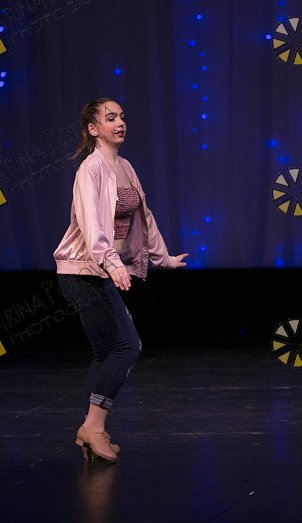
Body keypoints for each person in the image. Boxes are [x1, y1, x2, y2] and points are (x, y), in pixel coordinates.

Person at [53, 98, 188, 463]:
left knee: (106, 352)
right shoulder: (91, 169)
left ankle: (90, 429)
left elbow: (144, 216)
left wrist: (163, 258)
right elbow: (92, 222)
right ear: (93, 129)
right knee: (128, 346)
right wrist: (111, 262)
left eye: (122, 117)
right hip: (83, 271)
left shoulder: (124, 166)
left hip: (98, 270)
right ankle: (93, 428)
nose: (120, 123)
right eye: (110, 118)